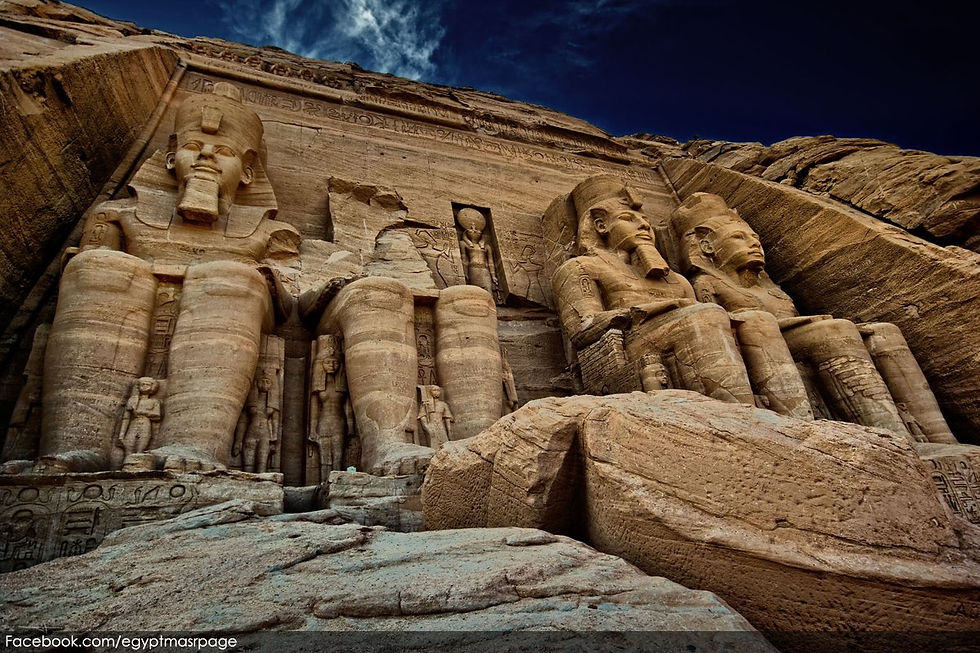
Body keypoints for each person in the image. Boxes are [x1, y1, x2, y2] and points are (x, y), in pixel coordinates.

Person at [35, 82, 299, 473]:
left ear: (247, 172)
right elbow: (80, 268)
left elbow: (290, 299)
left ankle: (197, 444)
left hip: (225, 304)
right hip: (127, 299)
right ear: (172, 158)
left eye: (223, 152)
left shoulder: (271, 232)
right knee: (99, 267)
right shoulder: (117, 215)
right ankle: (75, 446)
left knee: (229, 277)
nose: (206, 156)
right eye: (194, 147)